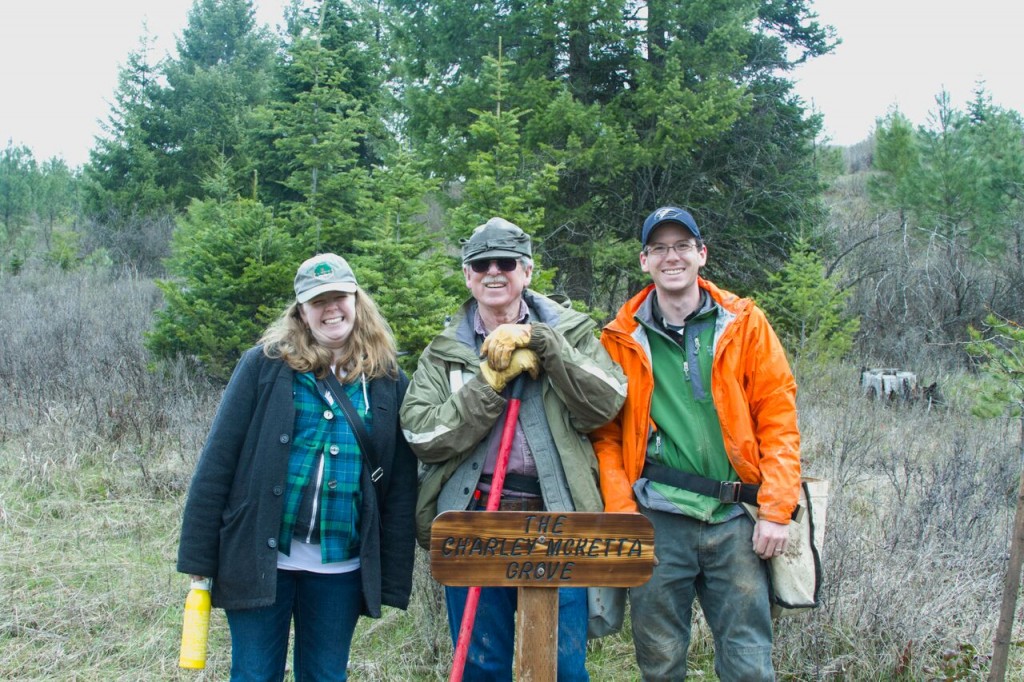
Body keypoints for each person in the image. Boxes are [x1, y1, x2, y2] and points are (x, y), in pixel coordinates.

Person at [400, 217, 626, 681]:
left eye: (506, 262)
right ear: (468, 275)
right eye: (481, 264)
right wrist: (488, 384)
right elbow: (421, 434)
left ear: (527, 271)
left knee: (562, 665)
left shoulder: (573, 332)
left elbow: (606, 403)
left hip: (559, 515)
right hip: (475, 517)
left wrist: (544, 343)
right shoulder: (445, 351)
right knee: (484, 663)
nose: (493, 271)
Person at [177, 253, 417, 682]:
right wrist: (199, 556)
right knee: (254, 674)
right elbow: (217, 462)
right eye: (317, 301)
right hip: (259, 557)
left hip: (340, 570)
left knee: (325, 676)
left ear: (356, 300)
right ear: (301, 313)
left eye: (339, 297)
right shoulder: (265, 366)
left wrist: (392, 575)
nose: (331, 309)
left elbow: (398, 487)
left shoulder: (388, 380)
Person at [592, 206, 801, 681]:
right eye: (659, 248)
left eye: (682, 246)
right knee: (660, 662)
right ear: (644, 261)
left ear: (701, 254)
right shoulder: (620, 338)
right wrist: (623, 513)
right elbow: (604, 434)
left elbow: (779, 418)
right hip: (658, 518)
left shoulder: (745, 324)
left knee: (749, 662)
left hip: (737, 521)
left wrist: (776, 509)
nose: (672, 257)